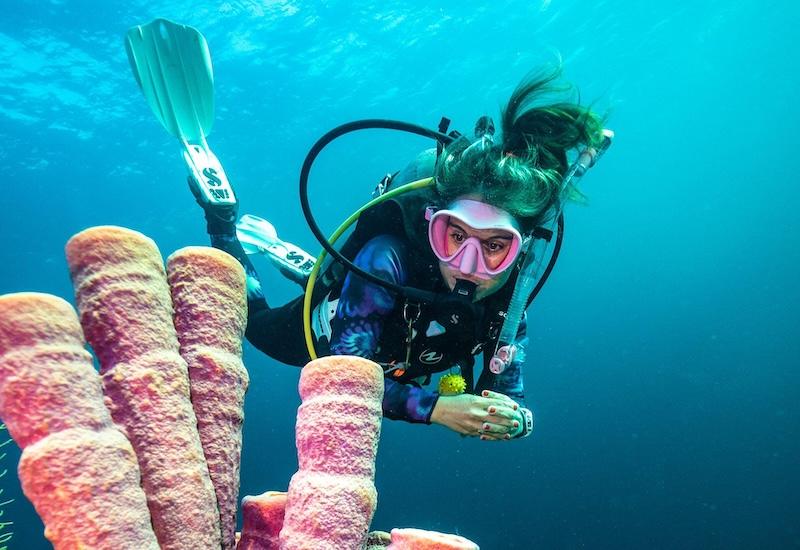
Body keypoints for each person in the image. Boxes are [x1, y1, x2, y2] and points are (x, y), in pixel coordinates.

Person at [192, 69, 606, 441]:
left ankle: (314, 271)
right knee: (256, 327)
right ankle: (222, 220)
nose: (467, 264)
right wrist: (437, 409)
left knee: (364, 295)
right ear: (433, 224)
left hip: (380, 316)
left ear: (520, 250)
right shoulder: (384, 259)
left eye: (495, 246)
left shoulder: (510, 307)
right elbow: (346, 379)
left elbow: (509, 395)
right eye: (455, 236)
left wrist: (511, 421)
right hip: (336, 321)